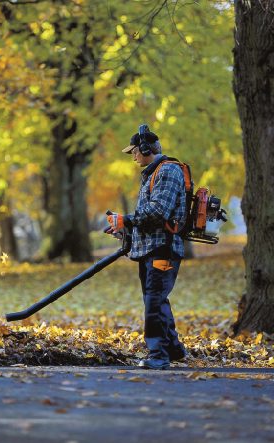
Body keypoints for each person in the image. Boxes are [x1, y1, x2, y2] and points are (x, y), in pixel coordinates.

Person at [106, 129, 187, 370]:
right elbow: (148, 218)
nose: (133, 157)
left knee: (154, 302)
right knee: (156, 301)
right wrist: (123, 227)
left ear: (145, 149)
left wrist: (127, 219)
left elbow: (159, 212)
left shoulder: (168, 171)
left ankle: (158, 356)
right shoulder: (153, 173)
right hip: (151, 248)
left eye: (134, 152)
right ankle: (173, 350)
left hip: (164, 248)